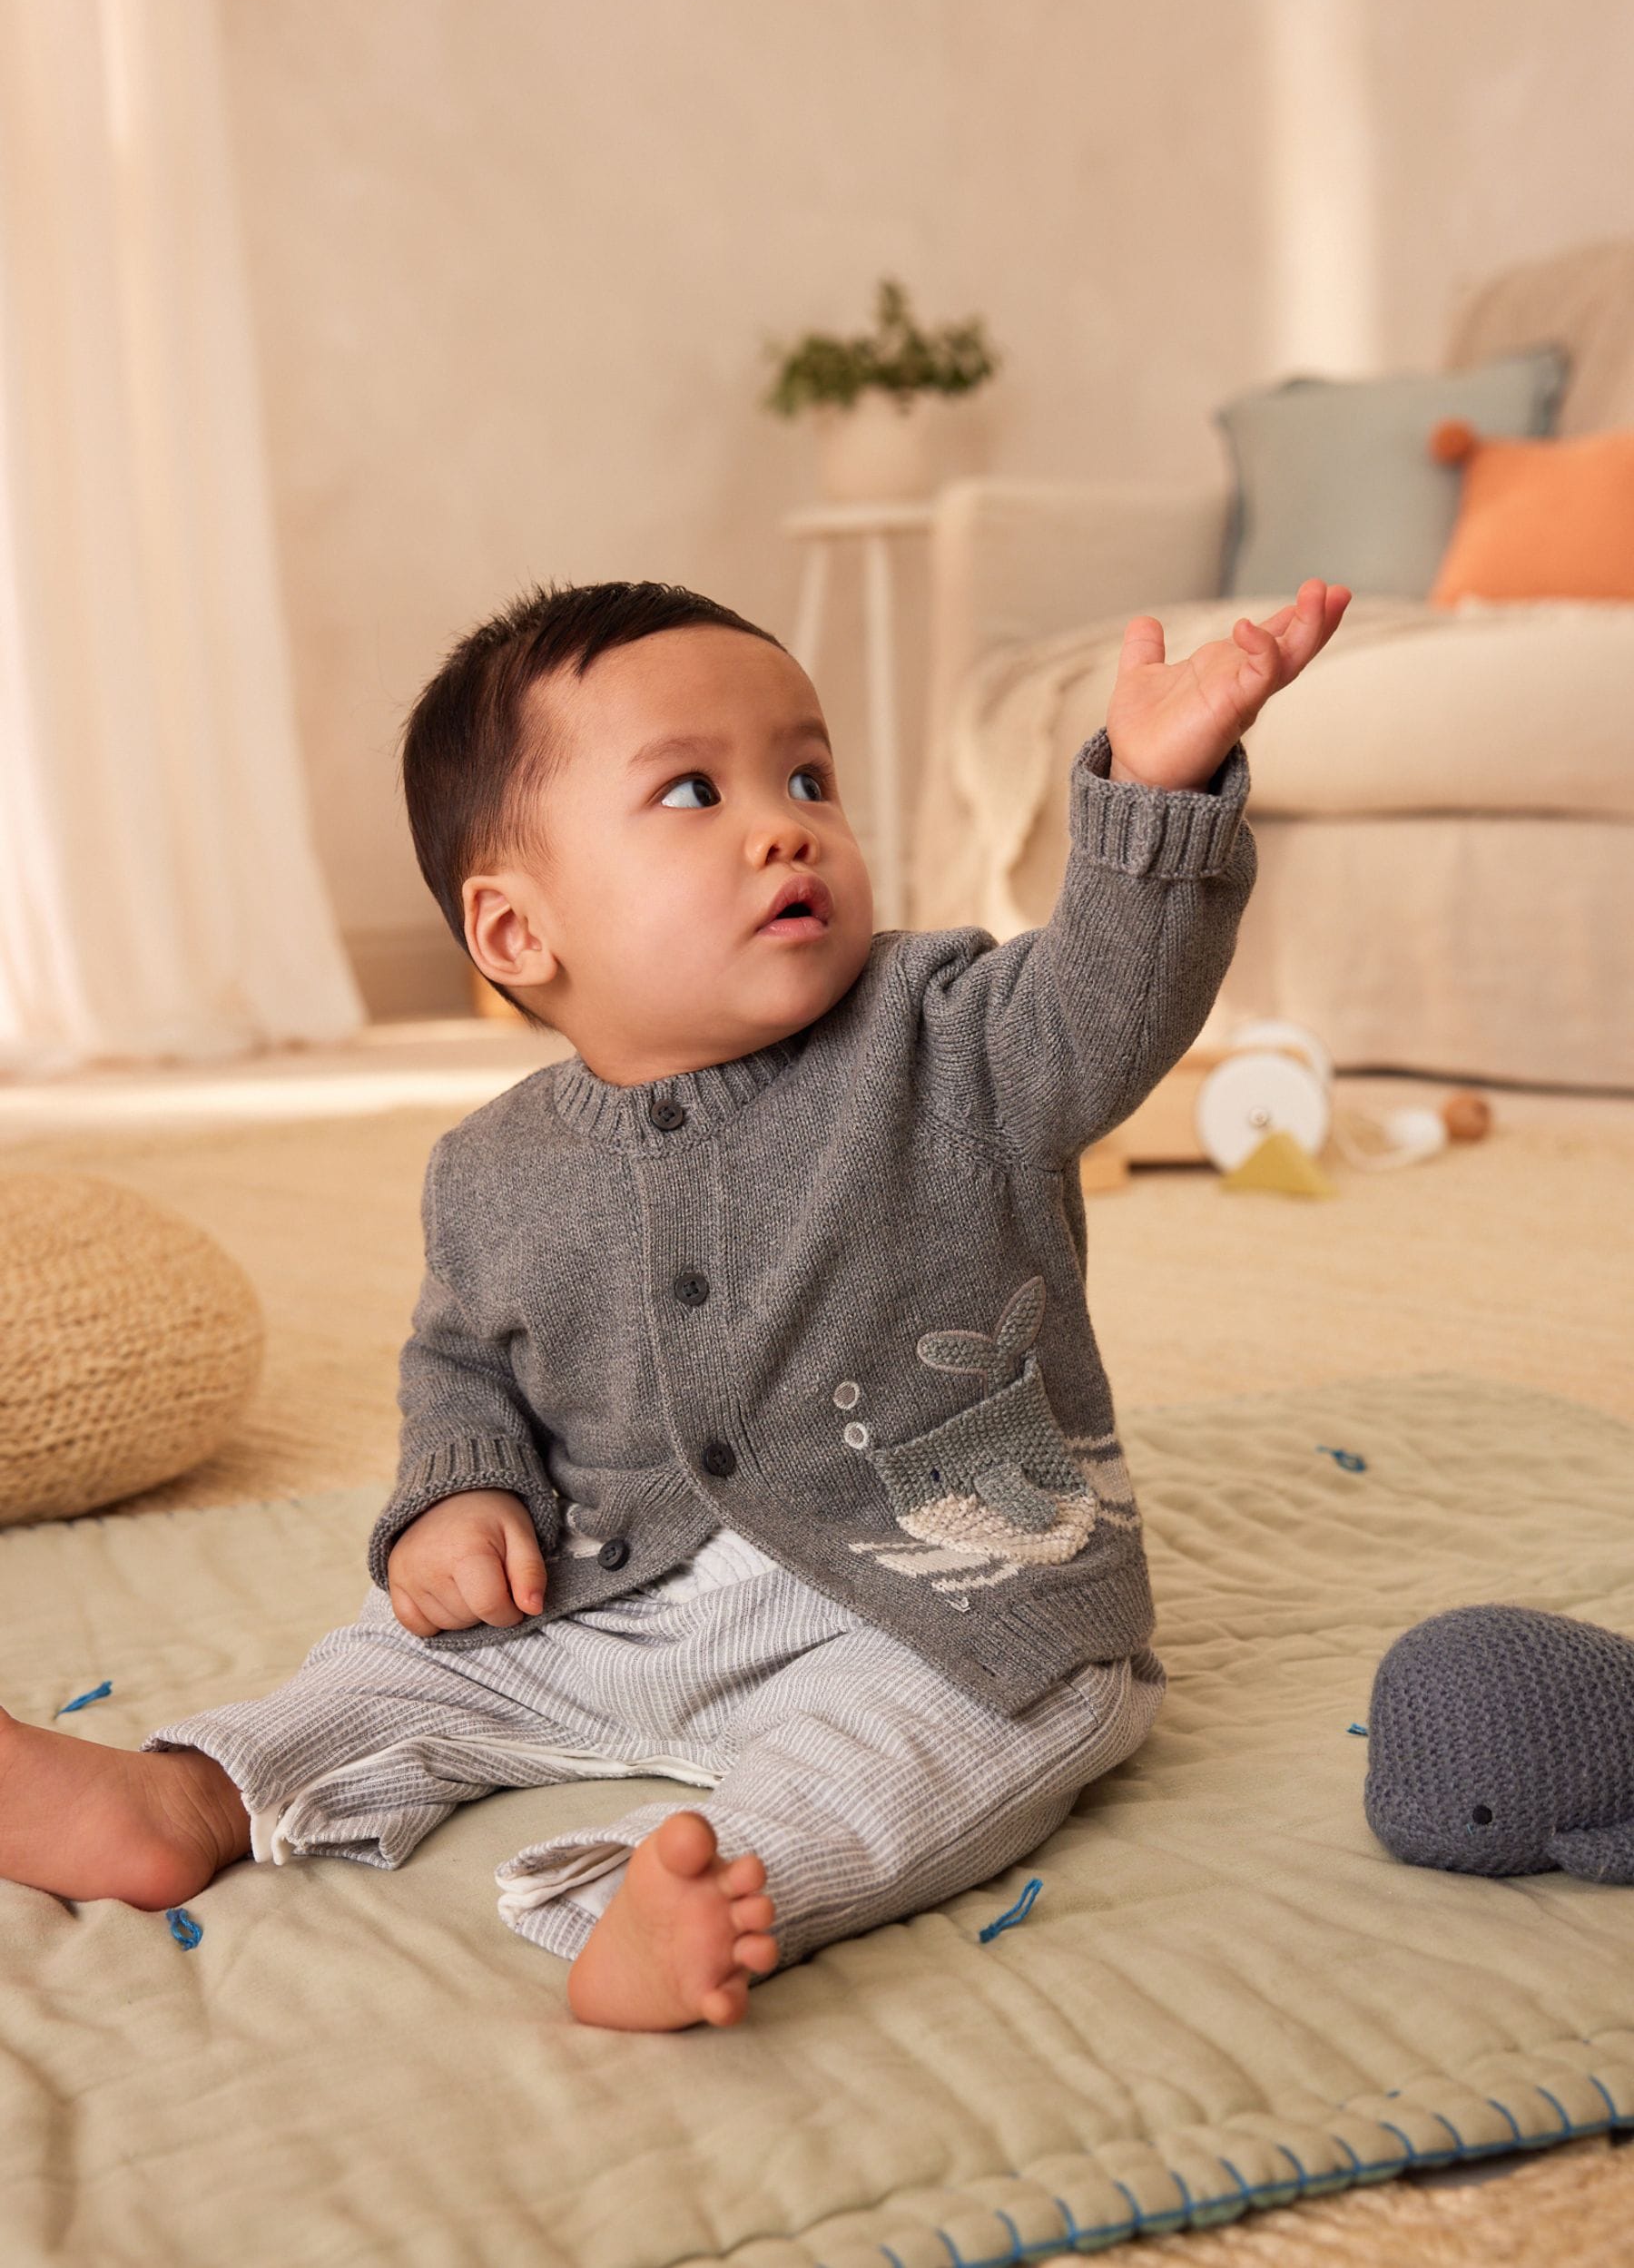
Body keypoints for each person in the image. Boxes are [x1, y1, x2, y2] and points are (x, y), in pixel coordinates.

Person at [0, 571, 1349, 2030]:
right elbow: (459, 1366)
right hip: (612, 1600)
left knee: (959, 1746)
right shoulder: (491, 1170)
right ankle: (190, 1794)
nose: (787, 821)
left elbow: (1113, 999)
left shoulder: (954, 1038)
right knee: (390, 1670)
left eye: (808, 775)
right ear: (518, 934)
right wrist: (459, 1499)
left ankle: (651, 1909)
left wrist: (1159, 792)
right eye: (695, 791)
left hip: (936, 1602)